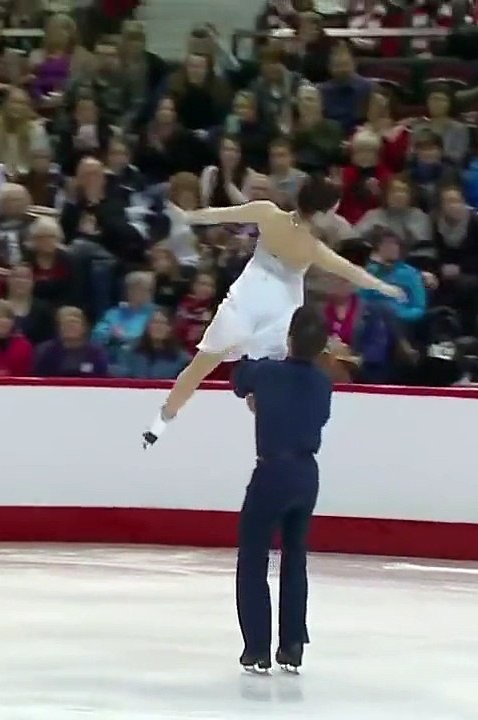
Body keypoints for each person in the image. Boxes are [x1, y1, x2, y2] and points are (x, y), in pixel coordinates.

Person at [143, 176, 404, 447]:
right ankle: (278, 436)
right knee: (273, 379)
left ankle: (159, 423)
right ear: (324, 211)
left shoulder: (267, 213)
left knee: (200, 367)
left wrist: (188, 217)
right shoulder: (312, 248)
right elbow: (352, 272)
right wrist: (385, 287)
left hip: (247, 302)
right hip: (275, 318)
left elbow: (219, 214)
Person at [230, 305, 332, 673]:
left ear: (289, 339)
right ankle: (291, 644)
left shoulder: (270, 372)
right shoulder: (323, 382)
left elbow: (239, 377)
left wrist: (258, 350)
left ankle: (256, 646)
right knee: (295, 558)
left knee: (254, 557)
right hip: (307, 474)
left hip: (273, 472)